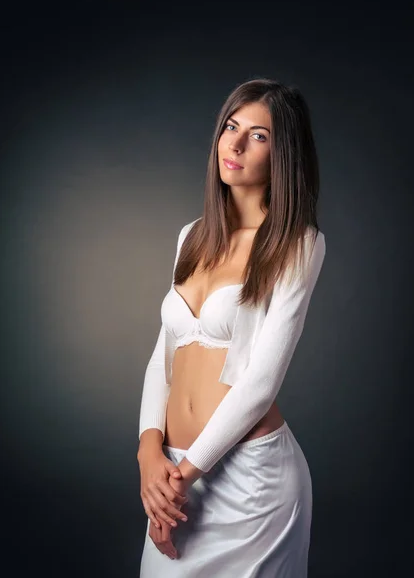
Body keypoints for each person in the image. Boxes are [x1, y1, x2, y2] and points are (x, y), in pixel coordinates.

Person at [137, 77, 326, 577]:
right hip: (175, 468)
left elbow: (261, 384)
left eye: (259, 135)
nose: (236, 144)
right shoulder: (191, 237)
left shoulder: (298, 245)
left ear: (283, 154)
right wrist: (147, 451)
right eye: (230, 126)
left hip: (251, 482)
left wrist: (181, 476)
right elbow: (165, 357)